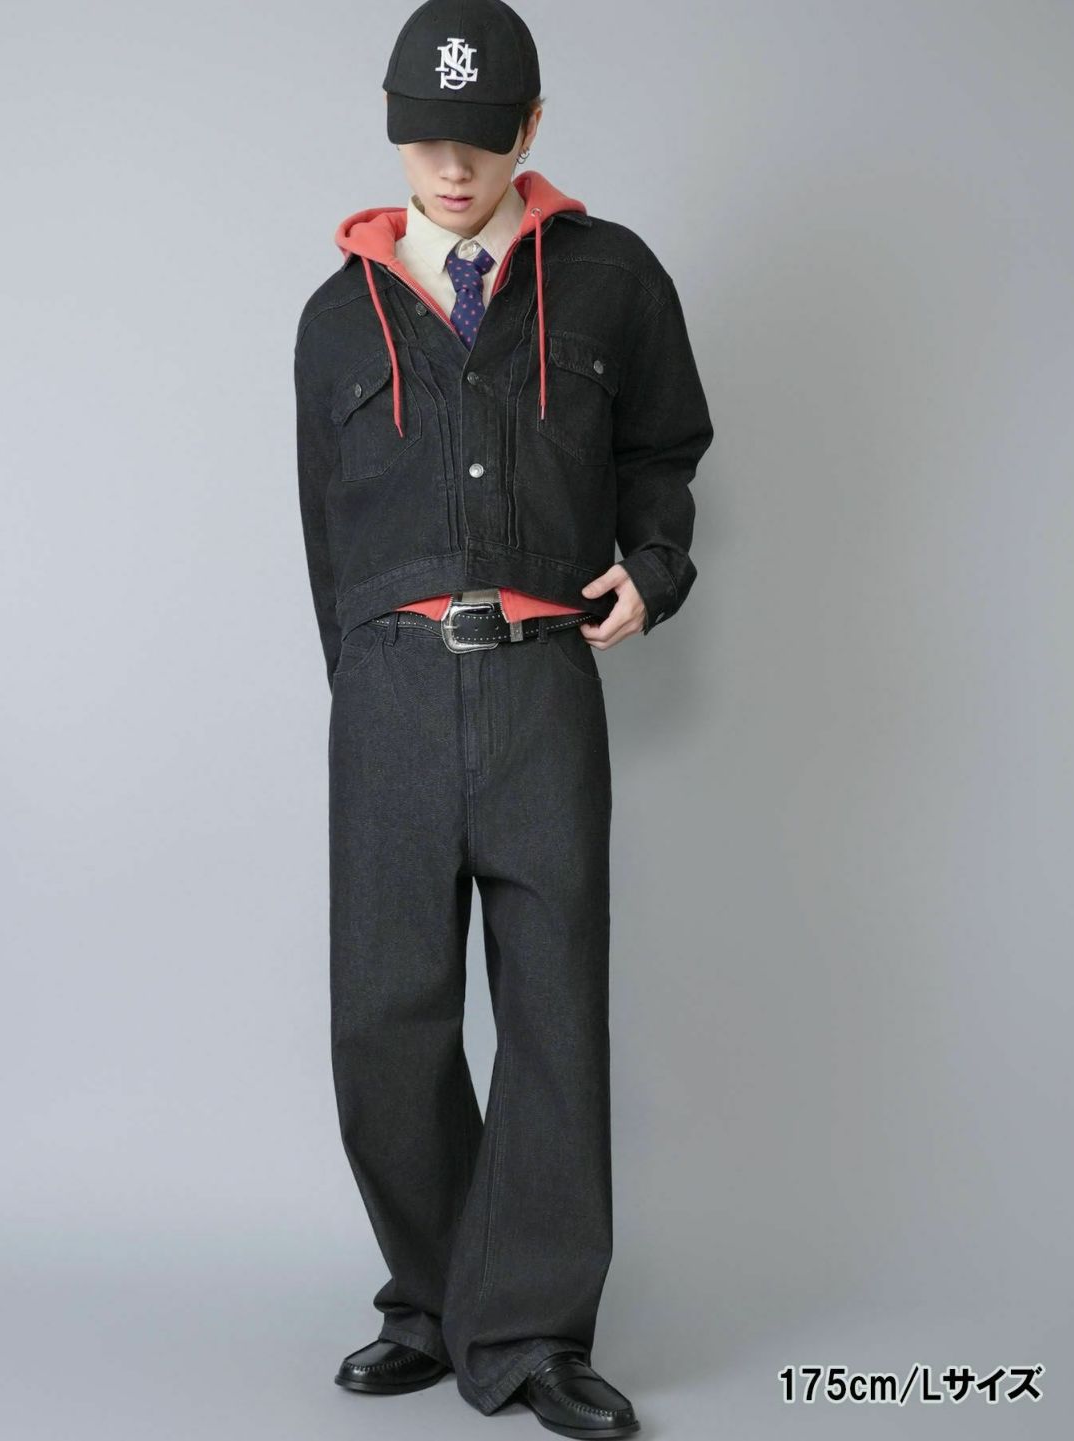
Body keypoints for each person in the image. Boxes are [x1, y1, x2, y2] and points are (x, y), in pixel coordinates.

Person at [293, 0, 713, 1432]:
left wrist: (655, 567)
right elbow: (324, 535)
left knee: (552, 1015)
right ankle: (436, 1294)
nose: (452, 166)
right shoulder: (335, 318)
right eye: (426, 137)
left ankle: (527, 1331)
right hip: (393, 693)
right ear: (395, 130)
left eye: (480, 137)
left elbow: (665, 447)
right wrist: (366, 684)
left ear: (529, 128)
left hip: (543, 682)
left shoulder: (611, 278)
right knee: (384, 1024)